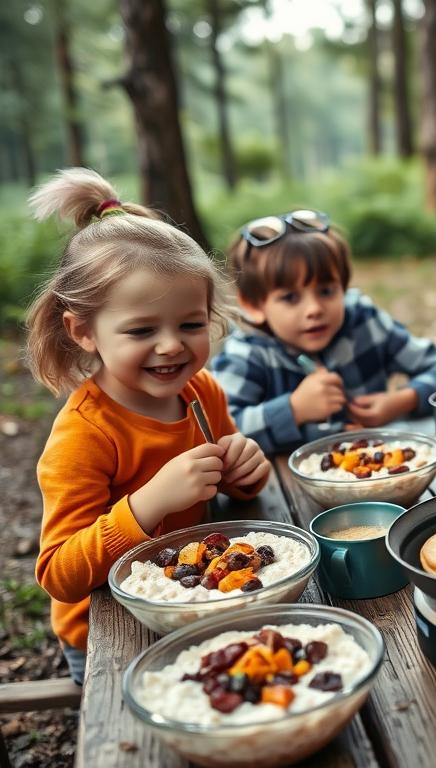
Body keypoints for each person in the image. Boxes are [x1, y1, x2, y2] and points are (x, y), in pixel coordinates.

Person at [27, 169, 271, 684]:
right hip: (112, 629)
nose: (171, 346)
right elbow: (60, 575)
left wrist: (243, 471)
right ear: (83, 331)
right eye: (141, 330)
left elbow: (228, 482)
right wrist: (147, 503)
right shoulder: (85, 435)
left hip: (193, 595)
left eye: (190, 324)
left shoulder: (201, 393)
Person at [210, 210, 436, 455]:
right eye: (290, 298)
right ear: (253, 305)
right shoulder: (246, 352)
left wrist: (402, 400)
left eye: (326, 291)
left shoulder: (363, 322)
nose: (314, 309)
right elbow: (221, 432)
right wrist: (294, 410)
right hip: (287, 492)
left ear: (343, 287)